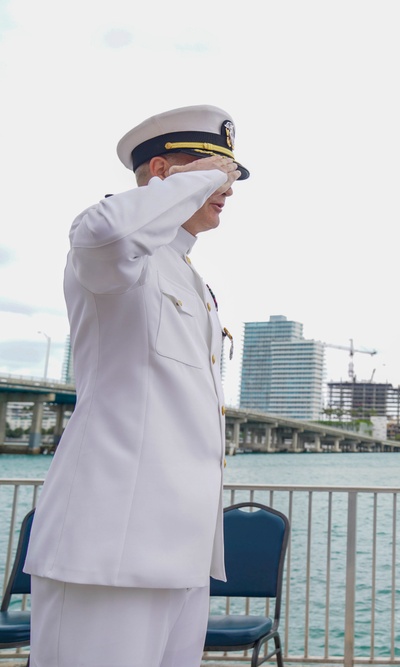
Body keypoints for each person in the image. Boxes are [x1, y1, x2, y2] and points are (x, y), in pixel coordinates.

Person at [24, 104, 247, 666]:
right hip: (108, 547)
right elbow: (104, 230)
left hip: (183, 551)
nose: (227, 186)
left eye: (229, 176)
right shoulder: (117, 257)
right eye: (212, 170)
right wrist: (193, 181)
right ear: (159, 173)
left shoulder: (188, 277)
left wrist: (196, 174)